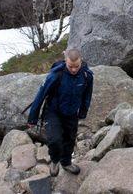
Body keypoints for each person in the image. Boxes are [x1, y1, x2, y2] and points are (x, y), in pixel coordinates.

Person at [27, 48, 94, 176]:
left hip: (72, 113)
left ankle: (66, 162)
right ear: (65, 61)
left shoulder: (86, 76)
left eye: (76, 66)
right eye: (70, 66)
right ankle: (55, 160)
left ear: (81, 61)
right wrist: (32, 118)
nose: (74, 69)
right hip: (53, 112)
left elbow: (87, 95)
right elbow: (40, 95)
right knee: (55, 140)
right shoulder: (56, 74)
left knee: (69, 139)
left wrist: (83, 112)